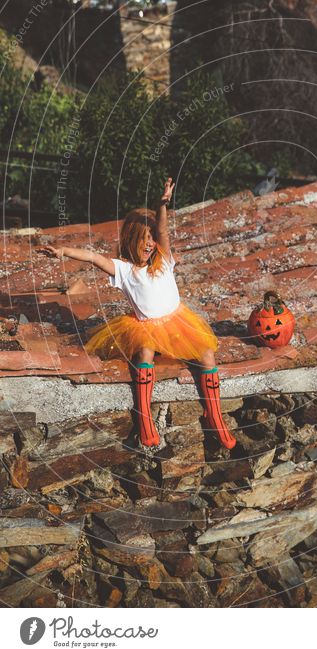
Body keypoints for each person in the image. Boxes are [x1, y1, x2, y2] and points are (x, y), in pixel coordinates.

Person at [38, 177, 236, 451]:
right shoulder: (123, 269)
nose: (149, 244)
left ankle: (214, 415)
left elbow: (164, 231)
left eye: (152, 239)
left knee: (206, 353)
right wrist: (63, 251)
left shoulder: (164, 260)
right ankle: (145, 417)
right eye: (144, 240)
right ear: (131, 240)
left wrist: (162, 205)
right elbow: (93, 257)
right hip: (145, 328)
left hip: (179, 323)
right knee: (144, 352)